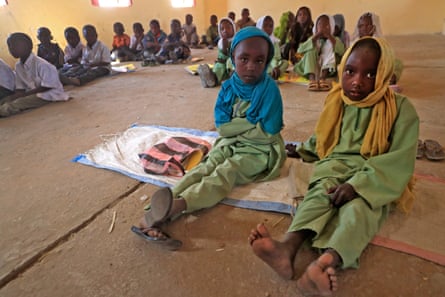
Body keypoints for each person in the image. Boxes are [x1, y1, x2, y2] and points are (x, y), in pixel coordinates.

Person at [249, 37, 419, 296]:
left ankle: (325, 263)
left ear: (384, 74)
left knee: (360, 211)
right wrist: (306, 148)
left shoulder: (401, 110)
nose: (357, 81)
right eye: (350, 71)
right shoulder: (337, 99)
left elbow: (400, 159)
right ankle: (287, 248)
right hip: (336, 163)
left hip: (374, 173)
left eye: (370, 74)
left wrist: (358, 185)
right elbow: (326, 135)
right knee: (319, 195)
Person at [133, 27, 287, 250]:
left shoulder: (270, 90)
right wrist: (252, 123)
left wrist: (237, 128)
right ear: (233, 57)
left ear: (267, 61)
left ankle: (176, 207)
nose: (251, 66)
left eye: (259, 60)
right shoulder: (228, 87)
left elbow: (268, 132)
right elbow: (223, 130)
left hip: (260, 150)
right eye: (244, 59)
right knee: (205, 167)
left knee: (226, 171)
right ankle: (151, 214)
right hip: (229, 142)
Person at [1, 33, 69, 117]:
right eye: (9, 46)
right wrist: (15, 96)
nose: (11, 49)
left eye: (15, 45)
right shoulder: (18, 66)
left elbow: (47, 87)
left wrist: (23, 95)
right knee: (5, 100)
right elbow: (20, 88)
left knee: (13, 105)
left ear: (28, 46)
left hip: (48, 94)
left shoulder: (42, 64)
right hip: (31, 93)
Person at [293, 14, 345, 91]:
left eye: (327, 25)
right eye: (320, 25)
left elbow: (342, 51)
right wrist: (315, 37)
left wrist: (330, 37)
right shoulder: (312, 39)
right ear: (316, 28)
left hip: (327, 70)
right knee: (311, 49)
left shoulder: (335, 39)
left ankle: (322, 79)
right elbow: (300, 50)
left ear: (332, 27)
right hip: (311, 67)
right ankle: (312, 79)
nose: (323, 28)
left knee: (329, 47)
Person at [353, 12, 403, 92]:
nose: (364, 28)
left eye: (368, 25)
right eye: (361, 26)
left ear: (374, 27)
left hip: (377, 67)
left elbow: (385, 57)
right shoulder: (354, 42)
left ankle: (388, 82)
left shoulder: (380, 42)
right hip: (362, 68)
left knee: (397, 63)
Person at [197, 17, 236, 88]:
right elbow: (224, 53)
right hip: (222, 63)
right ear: (219, 31)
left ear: (233, 28)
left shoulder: (236, 40)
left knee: (231, 63)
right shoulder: (221, 41)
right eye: (222, 29)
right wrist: (224, 44)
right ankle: (211, 79)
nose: (225, 30)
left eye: (228, 28)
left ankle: (234, 80)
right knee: (218, 69)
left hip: (232, 62)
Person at [256, 15, 289, 80]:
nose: (268, 28)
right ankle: (270, 74)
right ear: (259, 26)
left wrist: (275, 66)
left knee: (285, 63)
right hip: (260, 64)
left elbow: (276, 57)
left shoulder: (274, 41)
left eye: (270, 26)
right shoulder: (255, 40)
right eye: (265, 25)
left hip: (272, 65)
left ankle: (274, 73)